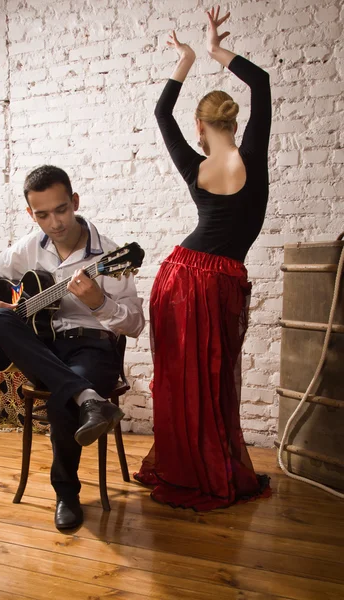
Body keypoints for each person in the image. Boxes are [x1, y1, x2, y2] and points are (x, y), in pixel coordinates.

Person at [134, 7, 272, 510]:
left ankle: (197, 466)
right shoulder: (253, 154)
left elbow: (159, 115)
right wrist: (216, 50)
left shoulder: (195, 164)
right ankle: (203, 467)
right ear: (233, 122)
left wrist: (187, 60)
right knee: (211, 383)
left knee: (188, 382)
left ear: (199, 125)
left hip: (182, 277)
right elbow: (261, 82)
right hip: (214, 280)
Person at [0, 165, 145, 529]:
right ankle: (89, 400)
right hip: (45, 349)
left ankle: (66, 494)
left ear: (75, 202)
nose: (54, 222)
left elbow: (135, 325)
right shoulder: (29, 248)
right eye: (42, 214)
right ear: (30, 213)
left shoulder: (111, 256)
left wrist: (100, 303)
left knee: (61, 396)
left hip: (93, 350)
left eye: (62, 209)